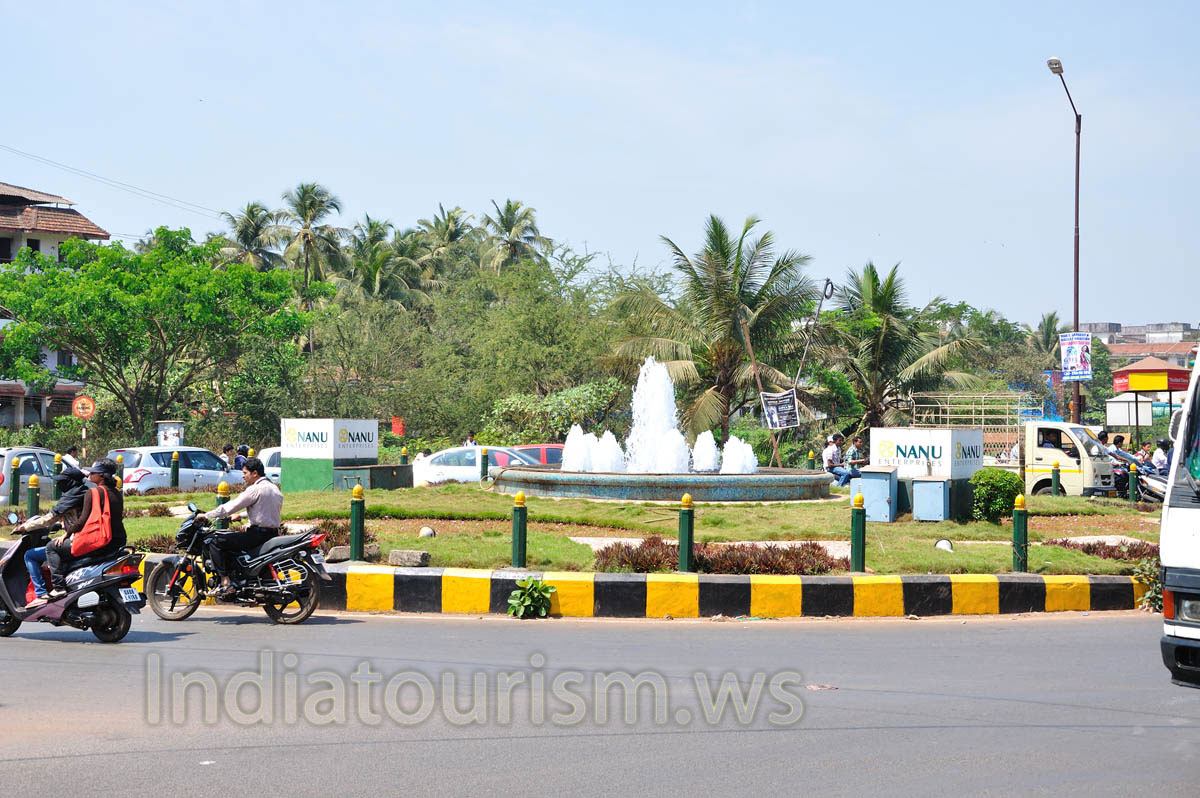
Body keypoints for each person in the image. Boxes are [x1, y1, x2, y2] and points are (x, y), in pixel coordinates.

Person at [38, 459, 127, 605]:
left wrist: (66, 534)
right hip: (118, 541)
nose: (90, 474)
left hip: (102, 541)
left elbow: (81, 521)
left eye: (93, 472)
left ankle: (58, 587)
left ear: (102, 475)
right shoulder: (117, 494)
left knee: (52, 547)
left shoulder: (93, 493)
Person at [203, 456, 283, 596]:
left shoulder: (255, 489)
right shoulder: (274, 488)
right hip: (272, 534)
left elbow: (231, 506)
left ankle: (226, 582)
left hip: (257, 536)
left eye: (245, 473)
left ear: (255, 474)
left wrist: (207, 515)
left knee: (216, 542)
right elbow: (266, 511)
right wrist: (242, 516)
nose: (243, 476)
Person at [21, 466, 90, 608]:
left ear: (70, 482)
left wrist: (24, 527)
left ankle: (41, 593)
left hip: (77, 541)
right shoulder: (85, 492)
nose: (59, 484)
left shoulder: (72, 495)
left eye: (62, 481)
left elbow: (49, 518)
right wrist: (61, 526)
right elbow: (73, 517)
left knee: (31, 555)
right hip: (88, 538)